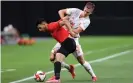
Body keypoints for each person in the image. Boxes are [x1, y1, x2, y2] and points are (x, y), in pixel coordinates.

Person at [49, 2, 97, 82]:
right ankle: (69, 68)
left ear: (91, 12)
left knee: (81, 61)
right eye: (85, 10)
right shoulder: (75, 11)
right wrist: (63, 19)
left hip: (73, 40)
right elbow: (60, 11)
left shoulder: (86, 21)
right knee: (52, 57)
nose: (85, 13)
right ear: (84, 8)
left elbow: (76, 31)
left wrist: (67, 26)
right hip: (64, 38)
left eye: (88, 12)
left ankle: (93, 75)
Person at [36, 18, 79, 83]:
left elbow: (65, 21)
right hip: (66, 44)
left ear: (44, 24)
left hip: (68, 43)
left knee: (57, 58)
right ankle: (68, 69)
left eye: (40, 27)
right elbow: (62, 21)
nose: (40, 30)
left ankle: (57, 78)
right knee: (54, 59)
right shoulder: (50, 28)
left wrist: (71, 31)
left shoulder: (51, 26)